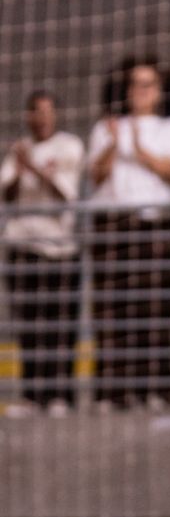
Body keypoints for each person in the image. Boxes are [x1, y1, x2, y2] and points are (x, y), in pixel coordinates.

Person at [87, 56, 170, 410]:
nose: (140, 92)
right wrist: (115, 144)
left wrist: (139, 148)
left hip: (154, 225)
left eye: (148, 84)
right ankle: (112, 392)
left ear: (160, 90)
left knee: (156, 308)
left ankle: (155, 390)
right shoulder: (106, 127)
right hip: (113, 224)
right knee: (110, 311)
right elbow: (95, 175)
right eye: (135, 84)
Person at [1, 91, 84, 416]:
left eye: (49, 111)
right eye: (37, 111)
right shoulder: (18, 150)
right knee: (29, 327)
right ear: (28, 116)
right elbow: (7, 195)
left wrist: (33, 168)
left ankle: (61, 396)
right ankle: (32, 395)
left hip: (60, 249)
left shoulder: (69, 146)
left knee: (60, 326)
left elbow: (65, 196)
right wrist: (22, 170)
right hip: (23, 247)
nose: (43, 117)